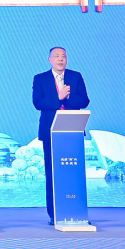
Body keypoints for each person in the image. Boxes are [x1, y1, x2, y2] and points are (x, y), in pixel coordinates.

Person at [31, 46, 90, 225]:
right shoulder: (40, 78)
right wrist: (58, 97)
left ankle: (77, 210)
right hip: (50, 131)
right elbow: (38, 102)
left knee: (74, 171)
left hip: (73, 129)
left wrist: (67, 98)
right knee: (52, 172)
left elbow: (84, 100)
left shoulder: (75, 76)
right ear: (50, 60)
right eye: (56, 56)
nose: (60, 59)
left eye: (63, 56)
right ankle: (54, 213)